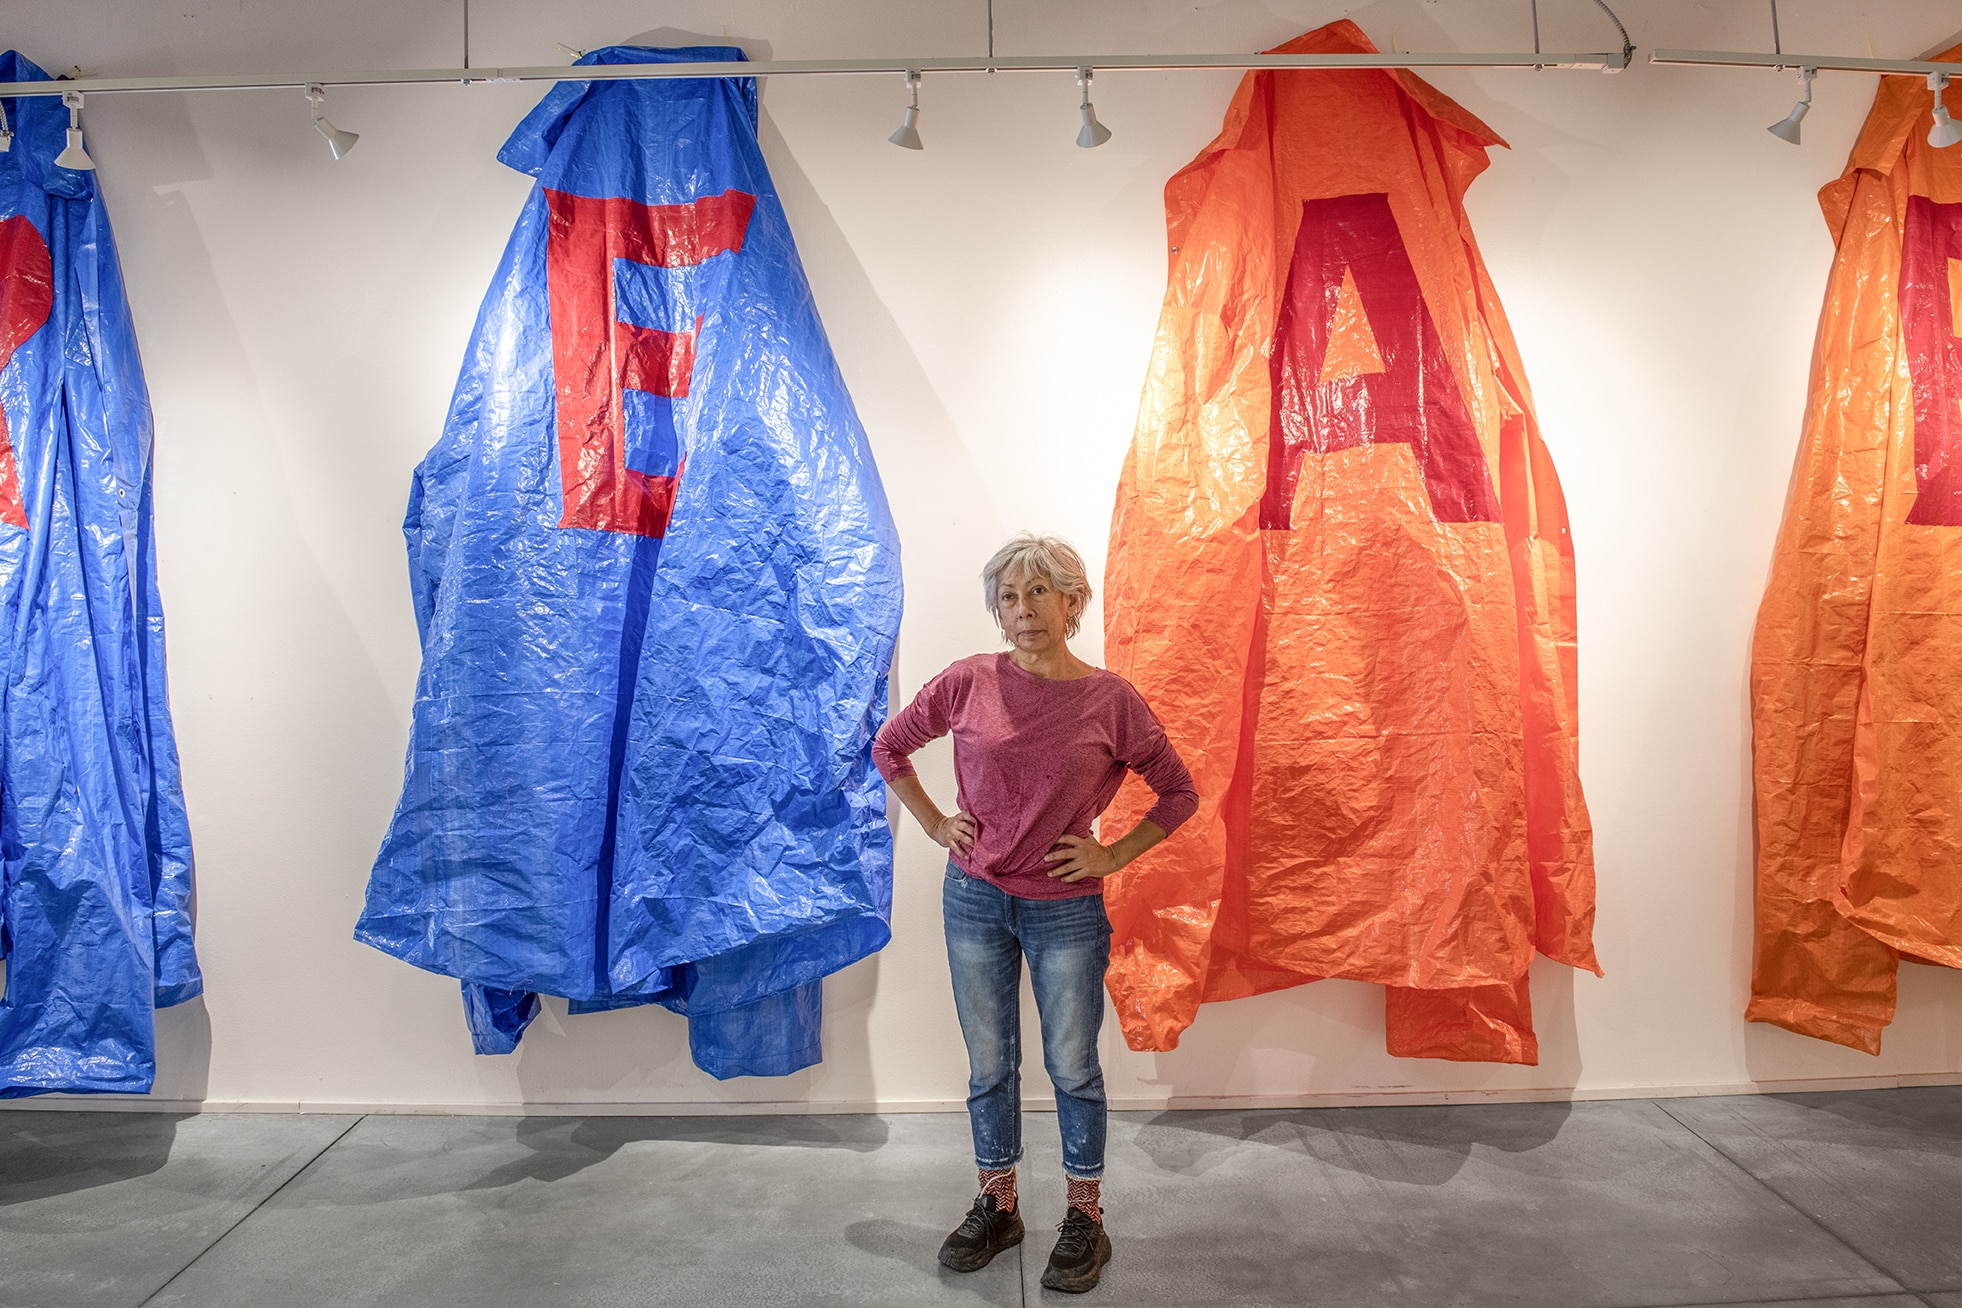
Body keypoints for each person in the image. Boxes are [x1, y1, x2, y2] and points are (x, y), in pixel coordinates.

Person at [873, 532, 1198, 1294]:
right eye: (1009, 597)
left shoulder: (1110, 701)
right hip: (974, 899)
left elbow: (1178, 791)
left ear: (1071, 602)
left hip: (1065, 912)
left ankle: (1085, 1217)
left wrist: (1112, 855)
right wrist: (935, 823)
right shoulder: (968, 681)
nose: (1022, 610)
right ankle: (999, 1205)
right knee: (990, 1065)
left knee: (1073, 1067)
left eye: (1039, 593)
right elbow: (890, 747)